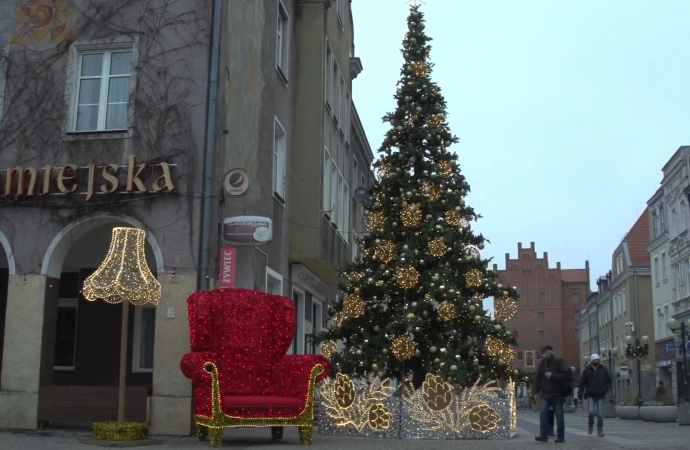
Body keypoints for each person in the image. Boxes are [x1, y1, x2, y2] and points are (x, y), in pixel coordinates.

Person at [534, 344, 569, 443]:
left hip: (557, 394)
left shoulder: (558, 362)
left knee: (559, 416)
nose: (543, 355)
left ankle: (560, 436)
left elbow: (565, 375)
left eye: (544, 352)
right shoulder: (542, 364)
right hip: (545, 394)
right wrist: (536, 391)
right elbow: (538, 378)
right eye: (542, 353)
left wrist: (553, 375)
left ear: (550, 352)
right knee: (543, 414)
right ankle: (544, 435)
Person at [578, 353, 611, 437]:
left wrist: (605, 389)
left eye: (597, 360)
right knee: (591, 412)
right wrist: (580, 394)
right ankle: (590, 424)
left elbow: (608, 381)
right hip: (591, 394)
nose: (596, 361)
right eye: (594, 360)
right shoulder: (587, 371)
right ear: (591, 361)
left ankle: (600, 429)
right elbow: (582, 383)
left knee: (600, 413)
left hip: (600, 394)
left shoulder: (603, 370)